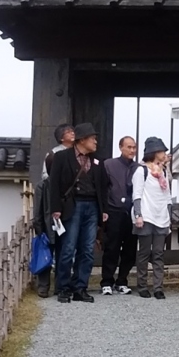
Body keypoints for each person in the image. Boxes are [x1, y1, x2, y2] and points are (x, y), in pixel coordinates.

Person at [49, 122, 109, 303]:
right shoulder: (61, 157)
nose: (95, 142)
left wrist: (104, 209)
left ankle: (80, 287)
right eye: (93, 139)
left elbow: (103, 187)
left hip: (92, 206)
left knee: (87, 250)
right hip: (72, 206)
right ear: (82, 140)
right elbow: (54, 184)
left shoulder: (98, 160)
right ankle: (63, 287)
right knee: (68, 248)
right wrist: (55, 208)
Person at [33, 123, 75, 297]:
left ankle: (61, 285)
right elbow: (38, 208)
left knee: (64, 253)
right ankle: (43, 286)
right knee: (46, 252)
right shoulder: (43, 185)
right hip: (48, 222)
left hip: (65, 220)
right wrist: (38, 225)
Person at [132, 136, 172, 299]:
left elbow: (168, 197)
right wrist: (138, 214)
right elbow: (137, 194)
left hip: (161, 216)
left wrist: (169, 216)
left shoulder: (163, 172)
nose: (164, 154)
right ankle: (142, 285)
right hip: (146, 216)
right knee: (143, 253)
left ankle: (158, 287)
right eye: (162, 151)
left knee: (158, 253)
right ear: (155, 152)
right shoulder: (141, 171)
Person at [100, 136, 139, 295]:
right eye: (129, 147)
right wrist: (104, 209)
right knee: (112, 247)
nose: (132, 150)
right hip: (114, 210)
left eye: (134, 147)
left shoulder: (139, 168)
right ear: (120, 147)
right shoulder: (109, 164)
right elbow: (103, 188)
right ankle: (107, 281)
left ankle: (122, 280)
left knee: (130, 249)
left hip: (132, 212)